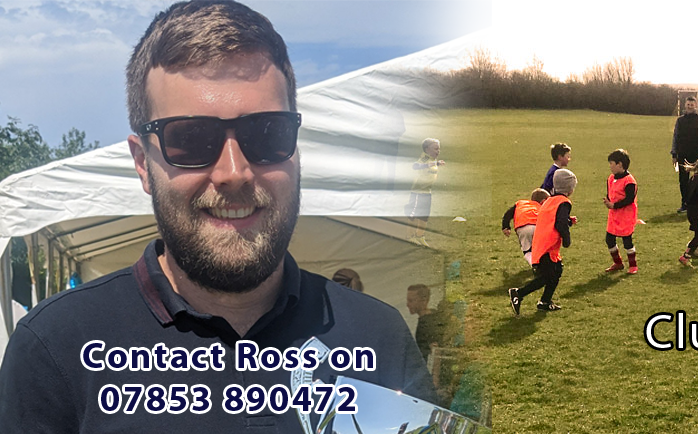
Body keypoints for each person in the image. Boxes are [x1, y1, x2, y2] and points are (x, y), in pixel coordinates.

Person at [0, 2, 434, 430]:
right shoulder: (55, 348)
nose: (234, 173)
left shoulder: (379, 337)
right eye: (190, 138)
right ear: (141, 164)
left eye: (267, 134)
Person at [510, 169, 576, 314]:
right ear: (570, 189)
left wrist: (568, 221)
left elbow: (551, 219)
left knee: (557, 270)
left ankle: (545, 301)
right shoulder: (564, 203)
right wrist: (567, 239)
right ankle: (518, 294)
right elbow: (559, 223)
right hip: (547, 245)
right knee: (546, 277)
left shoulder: (550, 200)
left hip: (543, 244)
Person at [603, 149, 640, 274]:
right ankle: (618, 263)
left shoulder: (630, 181)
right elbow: (610, 193)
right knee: (609, 239)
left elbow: (629, 199)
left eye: (611, 164)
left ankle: (633, 265)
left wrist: (614, 205)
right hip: (614, 214)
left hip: (626, 215)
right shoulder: (611, 178)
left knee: (627, 240)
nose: (610, 167)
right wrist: (608, 202)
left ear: (620, 164)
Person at [671, 97, 698, 213]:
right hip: (682, 155)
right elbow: (675, 137)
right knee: (683, 180)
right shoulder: (680, 121)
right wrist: (674, 154)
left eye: (692, 105)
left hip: (697, 155)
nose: (690, 106)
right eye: (688, 104)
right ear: (685, 105)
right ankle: (685, 204)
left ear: (695, 106)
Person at [409, 137, 445, 246]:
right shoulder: (425, 158)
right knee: (414, 215)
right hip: (418, 192)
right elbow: (415, 166)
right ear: (427, 149)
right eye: (435, 149)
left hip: (427, 191)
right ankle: (410, 236)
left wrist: (437, 164)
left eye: (438, 149)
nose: (438, 151)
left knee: (425, 216)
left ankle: (420, 236)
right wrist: (430, 164)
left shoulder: (433, 160)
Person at [502, 188, 550, 264]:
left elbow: (508, 214)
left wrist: (506, 227)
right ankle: (543, 264)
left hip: (523, 228)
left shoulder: (520, 204)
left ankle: (534, 265)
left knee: (527, 250)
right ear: (543, 201)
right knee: (541, 247)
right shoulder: (542, 207)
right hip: (538, 227)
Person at [408, 284, 449, 361]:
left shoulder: (427, 324)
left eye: (411, 301)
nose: (408, 305)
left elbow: (436, 352)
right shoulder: (433, 314)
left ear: (424, 301)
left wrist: (433, 373)